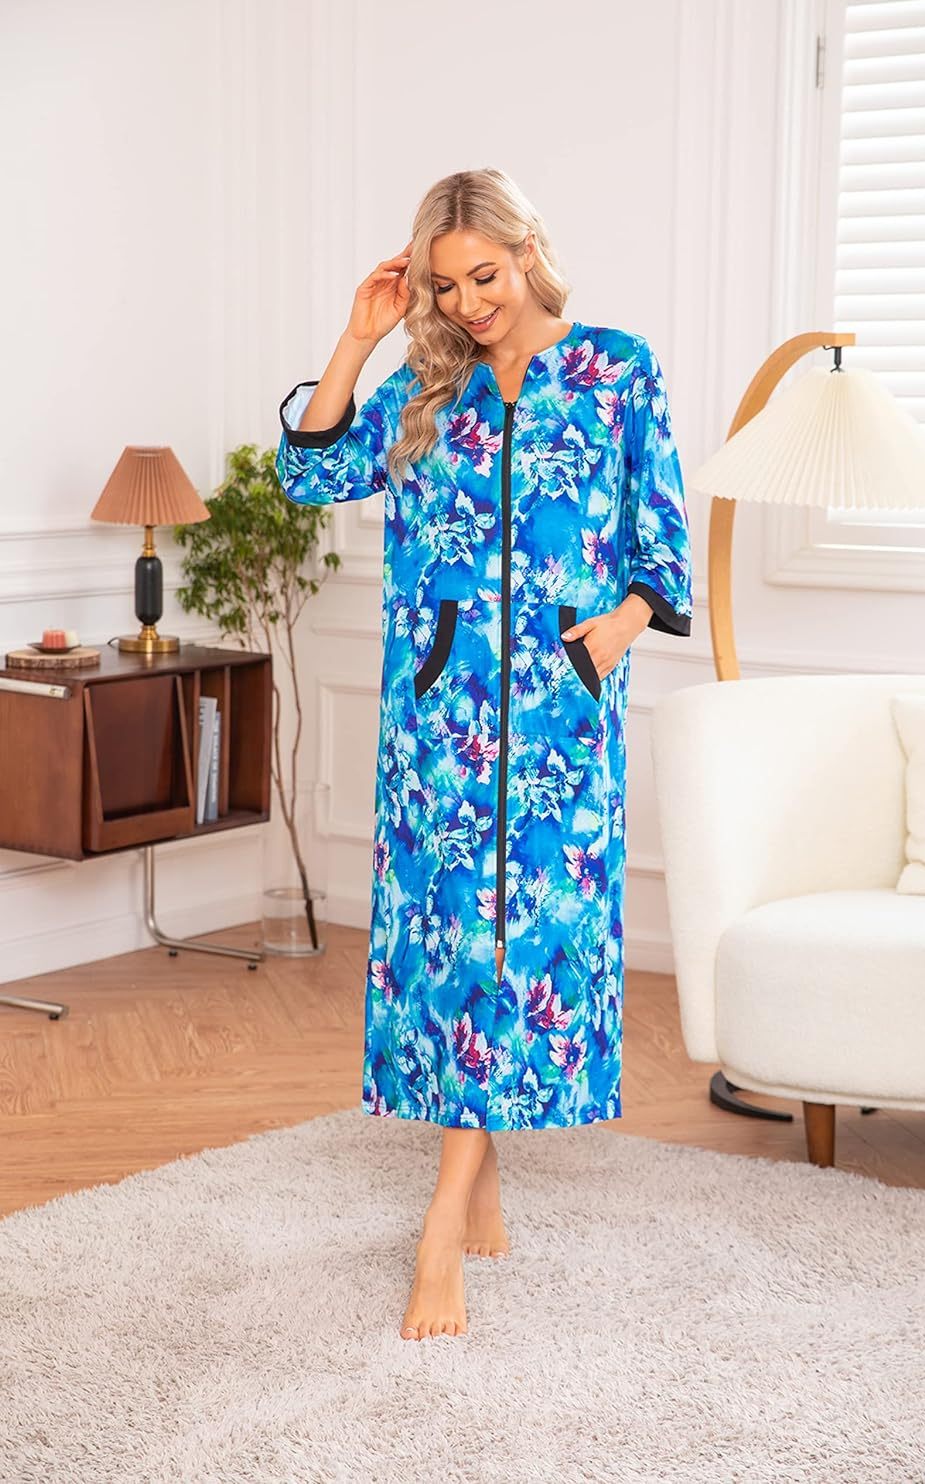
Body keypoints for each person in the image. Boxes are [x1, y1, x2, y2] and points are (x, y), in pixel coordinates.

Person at [275, 167, 693, 1342]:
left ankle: (441, 1221)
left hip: (562, 718)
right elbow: (310, 475)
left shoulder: (616, 369)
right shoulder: (428, 383)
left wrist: (614, 632)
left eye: (485, 276)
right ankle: (472, 1188)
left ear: (528, 251)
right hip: (442, 721)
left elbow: (660, 532)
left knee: (525, 949)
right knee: (461, 950)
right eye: (447, 285)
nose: (467, 303)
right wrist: (358, 339)